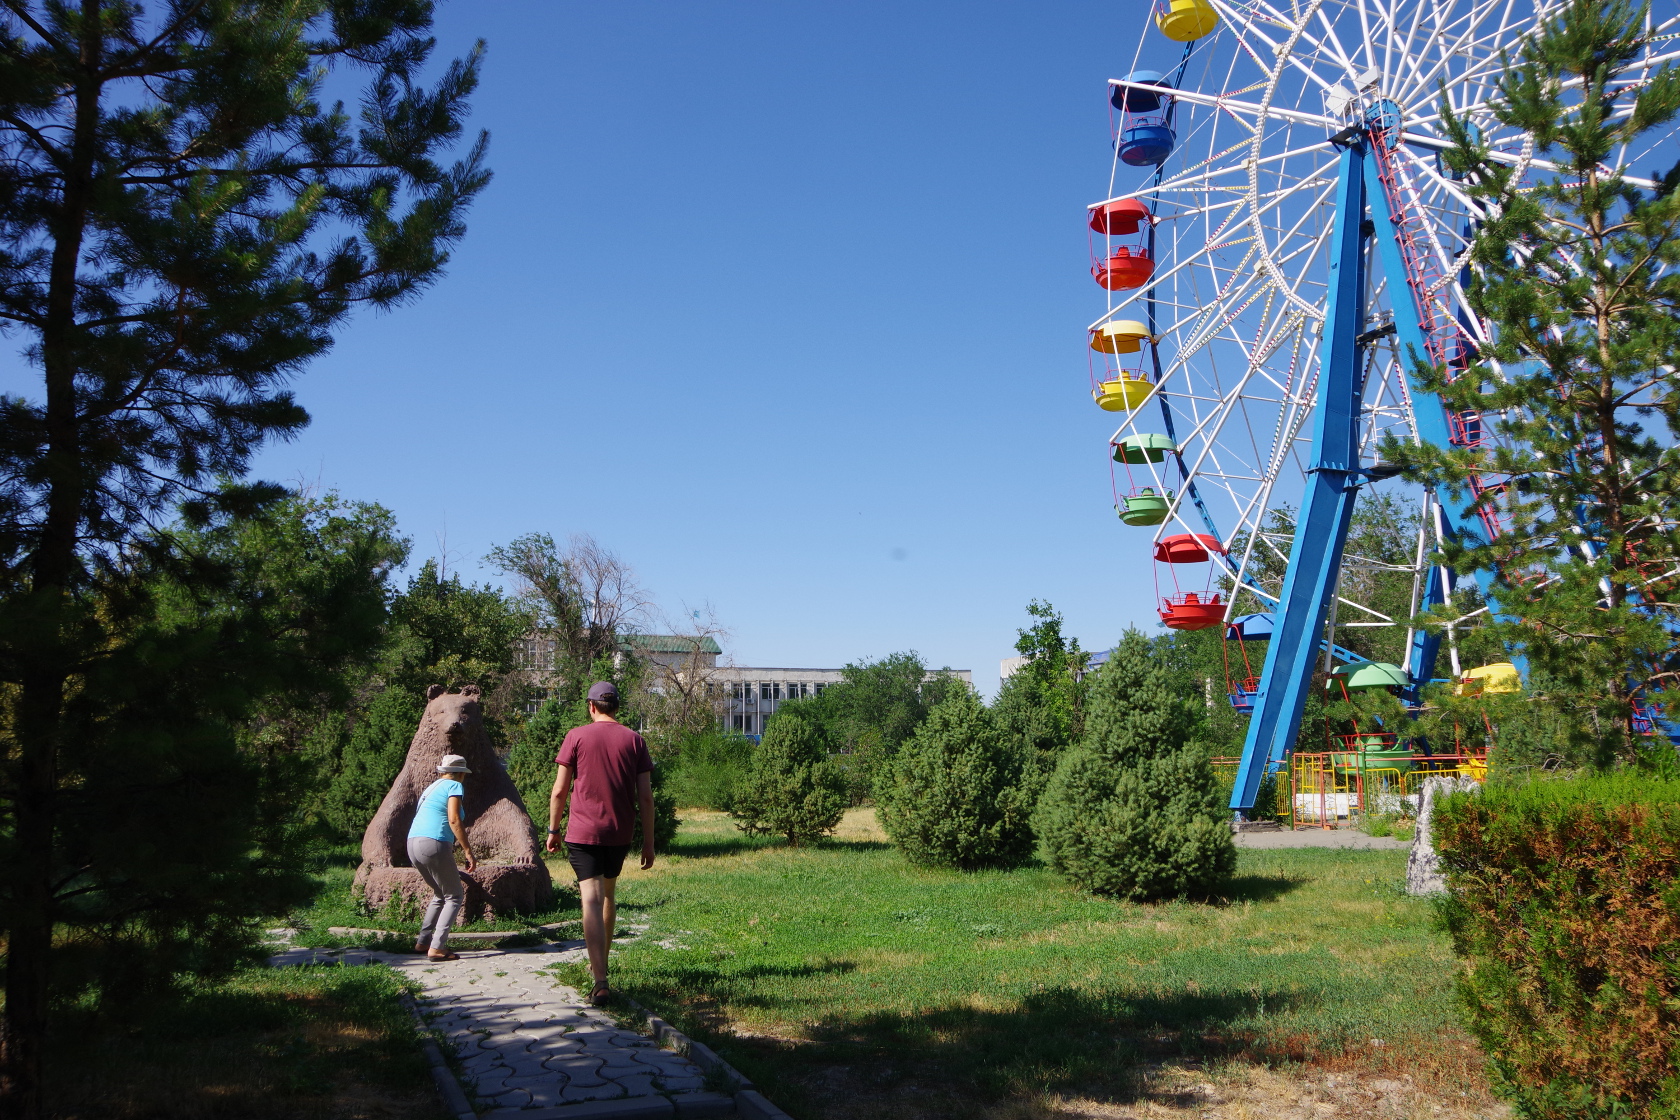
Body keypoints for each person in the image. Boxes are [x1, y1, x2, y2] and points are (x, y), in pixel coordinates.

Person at [546, 681, 655, 1005]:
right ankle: (600, 965)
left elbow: (559, 791)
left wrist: (553, 829)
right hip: (619, 833)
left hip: (583, 833)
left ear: (591, 706)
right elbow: (646, 798)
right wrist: (649, 843)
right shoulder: (635, 740)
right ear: (616, 707)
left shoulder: (576, 736)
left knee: (590, 900)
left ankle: (600, 979)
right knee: (608, 895)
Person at [406, 752, 478, 961]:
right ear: (461, 774)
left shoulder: (431, 788)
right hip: (433, 842)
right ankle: (437, 947)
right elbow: (454, 819)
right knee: (454, 896)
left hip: (413, 843)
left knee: (439, 894)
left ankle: (423, 942)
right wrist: (467, 851)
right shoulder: (454, 785)